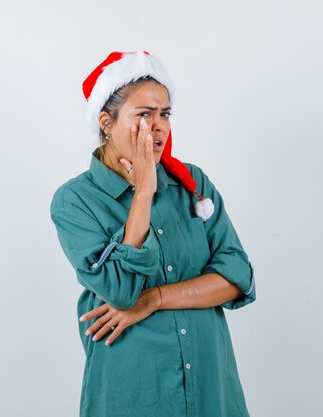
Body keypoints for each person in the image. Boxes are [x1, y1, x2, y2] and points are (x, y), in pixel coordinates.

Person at [50, 50, 256, 417]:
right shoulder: (74, 201)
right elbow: (121, 292)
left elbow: (237, 278)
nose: (158, 125)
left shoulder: (192, 184)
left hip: (211, 386)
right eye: (144, 114)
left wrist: (156, 298)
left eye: (165, 114)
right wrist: (143, 193)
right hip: (134, 389)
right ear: (106, 122)